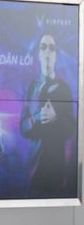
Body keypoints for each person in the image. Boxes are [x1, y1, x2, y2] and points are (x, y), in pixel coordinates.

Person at [19, 34, 75, 199]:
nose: (47, 52)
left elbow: (70, 130)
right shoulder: (30, 88)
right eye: (43, 47)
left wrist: (55, 118)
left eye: (52, 48)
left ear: (56, 55)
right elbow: (23, 128)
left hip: (57, 174)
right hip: (33, 174)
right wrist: (36, 118)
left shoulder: (64, 88)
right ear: (38, 53)